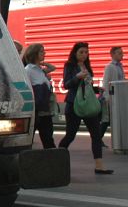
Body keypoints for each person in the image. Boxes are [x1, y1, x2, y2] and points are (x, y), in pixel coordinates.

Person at [58, 42, 112, 174]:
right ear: (75, 52)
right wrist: (77, 77)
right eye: (81, 52)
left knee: (96, 135)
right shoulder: (69, 66)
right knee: (70, 135)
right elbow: (66, 85)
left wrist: (96, 89)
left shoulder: (87, 66)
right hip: (74, 105)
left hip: (88, 105)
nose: (84, 55)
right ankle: (57, 157)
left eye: (86, 52)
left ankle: (99, 166)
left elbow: (86, 87)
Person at [22, 43, 55, 149]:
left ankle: (53, 161)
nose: (44, 53)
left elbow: (53, 68)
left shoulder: (40, 70)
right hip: (36, 111)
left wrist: (45, 66)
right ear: (34, 53)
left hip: (45, 110)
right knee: (30, 140)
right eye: (41, 51)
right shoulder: (28, 70)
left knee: (48, 139)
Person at [99, 46, 124, 142]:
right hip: (111, 97)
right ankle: (98, 139)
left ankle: (99, 139)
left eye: (122, 53)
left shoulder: (120, 66)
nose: (122, 55)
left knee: (110, 120)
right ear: (112, 54)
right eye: (119, 53)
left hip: (119, 97)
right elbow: (106, 82)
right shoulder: (109, 67)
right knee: (107, 120)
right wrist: (107, 97)